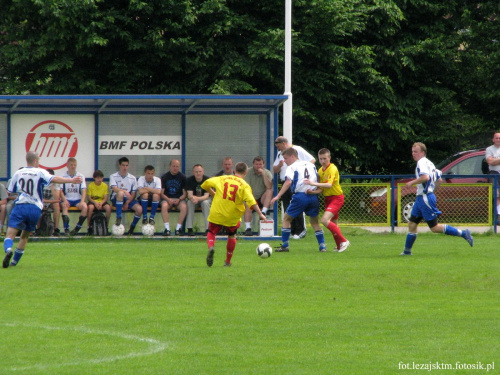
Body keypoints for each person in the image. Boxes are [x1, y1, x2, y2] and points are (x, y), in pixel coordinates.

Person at [3, 151, 83, 268]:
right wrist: (71, 180)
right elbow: (54, 178)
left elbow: (10, 191)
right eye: (39, 161)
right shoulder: (40, 172)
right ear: (35, 161)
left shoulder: (18, 173)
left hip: (21, 206)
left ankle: (9, 249)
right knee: (25, 236)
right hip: (35, 208)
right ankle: (14, 263)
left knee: (10, 235)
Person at [400, 142, 474, 255]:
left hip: (425, 198)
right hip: (422, 198)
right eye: (412, 151)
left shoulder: (421, 163)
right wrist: (432, 192)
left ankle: (464, 233)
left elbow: (425, 177)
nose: (413, 154)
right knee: (412, 224)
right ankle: (406, 252)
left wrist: (412, 183)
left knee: (434, 227)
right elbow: (438, 180)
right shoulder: (430, 163)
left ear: (422, 153)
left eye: (416, 152)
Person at [201, 162, 266, 267]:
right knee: (231, 235)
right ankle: (227, 261)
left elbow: (206, 184)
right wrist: (261, 214)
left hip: (218, 211)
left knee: (212, 232)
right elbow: (251, 201)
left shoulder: (223, 178)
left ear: (234, 171)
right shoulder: (244, 185)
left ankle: (211, 247)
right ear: (245, 173)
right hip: (232, 215)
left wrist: (213, 193)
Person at [270, 148, 326, 253]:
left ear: (292, 156)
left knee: (286, 219)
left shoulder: (291, 167)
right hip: (312, 196)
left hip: (300, 196)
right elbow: (316, 178)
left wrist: (278, 196)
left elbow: (288, 182)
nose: (285, 161)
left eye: (286, 158)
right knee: (314, 222)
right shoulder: (311, 165)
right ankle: (322, 246)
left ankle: (285, 245)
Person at [304, 148, 350, 252]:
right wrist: (313, 192)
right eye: (320, 159)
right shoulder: (320, 170)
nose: (323, 161)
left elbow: (329, 185)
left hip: (337, 198)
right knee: (334, 224)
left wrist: (312, 183)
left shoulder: (332, 168)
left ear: (329, 158)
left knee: (324, 220)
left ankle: (344, 241)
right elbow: (321, 189)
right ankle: (339, 246)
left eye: (325, 158)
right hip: (328, 199)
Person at [273, 136, 316, 239]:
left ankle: (300, 230)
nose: (278, 149)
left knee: (297, 205)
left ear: (283, 143)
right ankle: (291, 231)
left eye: (278, 146)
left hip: (296, 183)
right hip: (285, 181)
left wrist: (301, 169)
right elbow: (275, 169)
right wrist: (279, 165)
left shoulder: (298, 149)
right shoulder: (280, 154)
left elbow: (312, 160)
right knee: (288, 206)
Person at [109, 157, 142, 235]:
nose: (125, 167)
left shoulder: (132, 178)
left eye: (126, 165)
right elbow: (114, 188)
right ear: (119, 165)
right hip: (116, 198)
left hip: (128, 200)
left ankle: (132, 227)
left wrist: (127, 202)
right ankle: (119, 217)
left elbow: (133, 194)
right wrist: (124, 191)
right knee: (120, 193)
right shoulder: (113, 176)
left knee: (139, 209)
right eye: (123, 165)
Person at [243, 156, 273, 236]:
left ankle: (263, 212)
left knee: (270, 191)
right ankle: (248, 228)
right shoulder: (248, 172)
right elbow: (246, 187)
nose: (258, 166)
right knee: (248, 205)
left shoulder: (267, 172)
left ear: (263, 165)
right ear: (253, 164)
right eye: (256, 164)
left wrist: (263, 174)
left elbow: (269, 186)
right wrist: (251, 200)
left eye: (260, 164)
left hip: (261, 199)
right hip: (250, 197)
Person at [60, 157, 88, 235]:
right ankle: (66, 229)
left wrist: (82, 201)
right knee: (65, 206)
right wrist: (65, 200)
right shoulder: (62, 176)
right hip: (67, 199)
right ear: (67, 166)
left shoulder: (81, 176)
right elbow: (60, 190)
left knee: (85, 207)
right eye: (71, 165)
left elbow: (84, 190)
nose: (73, 166)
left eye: (74, 165)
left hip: (77, 199)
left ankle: (77, 228)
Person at [160, 159, 187, 236]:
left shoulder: (182, 177)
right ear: (170, 166)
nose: (175, 168)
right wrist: (168, 200)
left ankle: (178, 229)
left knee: (184, 207)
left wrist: (179, 199)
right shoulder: (164, 177)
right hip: (167, 198)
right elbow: (161, 193)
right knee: (164, 206)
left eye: (177, 166)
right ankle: (167, 229)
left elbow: (185, 194)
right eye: (173, 166)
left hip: (179, 199)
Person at [185, 164, 211, 236]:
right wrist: (193, 198)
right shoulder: (189, 180)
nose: (198, 173)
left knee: (205, 203)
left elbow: (206, 196)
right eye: (196, 172)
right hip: (194, 200)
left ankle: (208, 229)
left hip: (204, 199)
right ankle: (189, 228)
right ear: (193, 172)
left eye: (200, 171)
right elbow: (189, 194)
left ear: (203, 172)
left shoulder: (207, 180)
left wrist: (197, 198)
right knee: (189, 203)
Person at [86, 170, 111, 234]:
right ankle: (89, 226)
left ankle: (106, 225)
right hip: (93, 201)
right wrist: (95, 203)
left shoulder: (105, 185)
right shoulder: (91, 185)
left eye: (101, 178)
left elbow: (105, 198)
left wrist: (101, 203)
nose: (99, 179)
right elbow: (89, 198)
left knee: (108, 208)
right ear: (94, 178)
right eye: (97, 178)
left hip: (102, 201)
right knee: (90, 207)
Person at [39, 168, 61, 236]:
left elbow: (57, 198)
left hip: (51, 201)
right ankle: (38, 228)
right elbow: (40, 198)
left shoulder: (56, 183)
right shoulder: (40, 183)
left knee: (57, 206)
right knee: (38, 206)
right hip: (41, 201)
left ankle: (56, 229)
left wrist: (52, 188)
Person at [485, 132, 500, 217]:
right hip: (494, 174)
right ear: (493, 139)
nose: (498, 139)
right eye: (496, 138)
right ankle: (498, 216)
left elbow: (493, 161)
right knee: (497, 195)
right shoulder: (489, 149)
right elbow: (490, 161)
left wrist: (496, 160)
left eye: (499, 138)